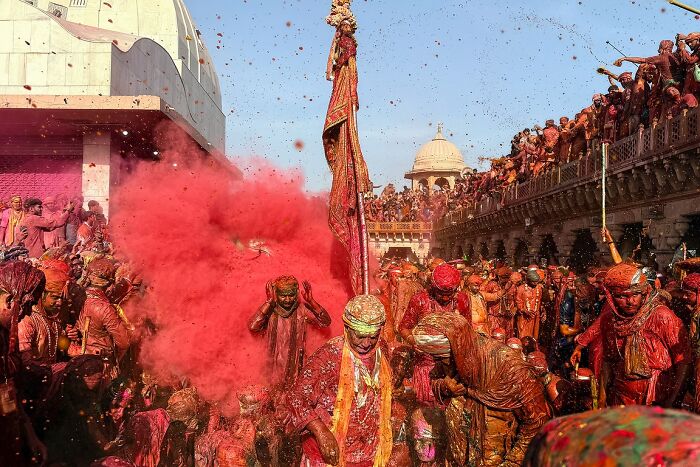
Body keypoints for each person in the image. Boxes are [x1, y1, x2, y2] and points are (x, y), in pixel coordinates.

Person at [412, 313, 550, 466]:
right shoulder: (452, 360)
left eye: (440, 359)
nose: (438, 364)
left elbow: (537, 420)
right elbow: (435, 380)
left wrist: (513, 462)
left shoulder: (509, 368)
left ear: (459, 350)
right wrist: (444, 387)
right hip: (458, 456)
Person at [285, 294, 392, 466]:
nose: (366, 343)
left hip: (369, 451)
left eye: (373, 336)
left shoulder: (382, 350)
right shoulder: (329, 355)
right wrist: (321, 432)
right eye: (360, 335)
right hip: (331, 449)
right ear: (347, 328)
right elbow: (296, 397)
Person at [599, 263, 691, 408]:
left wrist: (673, 401)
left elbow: (683, 361)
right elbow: (608, 361)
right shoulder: (609, 321)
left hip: (656, 398)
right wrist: (601, 400)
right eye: (621, 296)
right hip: (622, 399)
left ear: (644, 292)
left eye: (635, 294)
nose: (630, 302)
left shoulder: (661, 316)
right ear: (611, 297)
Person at [399, 263, 469, 405]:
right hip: (426, 366)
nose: (444, 299)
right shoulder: (420, 300)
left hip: (453, 367)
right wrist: (413, 340)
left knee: (453, 416)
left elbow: (468, 331)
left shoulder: (462, 300)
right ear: (432, 287)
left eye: (449, 294)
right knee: (425, 412)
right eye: (440, 294)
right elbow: (403, 328)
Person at [0, 261, 48, 466]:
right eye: (27, 305)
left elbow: (9, 390)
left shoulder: (4, 333)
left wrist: (29, 435)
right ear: (10, 300)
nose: (28, 314)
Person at [249, 276, 331, 388]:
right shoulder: (270, 310)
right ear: (275, 294)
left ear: (296, 293)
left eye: (291, 295)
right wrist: (268, 302)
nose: (287, 300)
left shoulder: (302, 310)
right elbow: (253, 327)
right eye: (283, 296)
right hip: (272, 367)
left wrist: (311, 301)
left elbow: (325, 322)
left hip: (296, 366)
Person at [69, 258, 130, 369]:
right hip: (101, 365)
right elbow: (124, 342)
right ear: (108, 284)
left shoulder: (78, 298)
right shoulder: (104, 308)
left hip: (79, 361)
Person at [18, 261, 71, 366]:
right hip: (33, 377)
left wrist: (69, 339)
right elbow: (25, 360)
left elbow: (63, 348)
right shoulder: (27, 319)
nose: (60, 303)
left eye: (62, 298)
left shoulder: (54, 317)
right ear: (41, 295)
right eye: (55, 297)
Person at [515, 269, 544, 340]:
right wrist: (524, 310)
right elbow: (518, 301)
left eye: (537, 282)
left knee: (534, 336)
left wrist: (542, 311)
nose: (535, 284)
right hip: (524, 317)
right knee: (523, 336)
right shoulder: (521, 288)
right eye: (533, 282)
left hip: (535, 315)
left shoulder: (539, 288)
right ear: (528, 280)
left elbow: (539, 301)